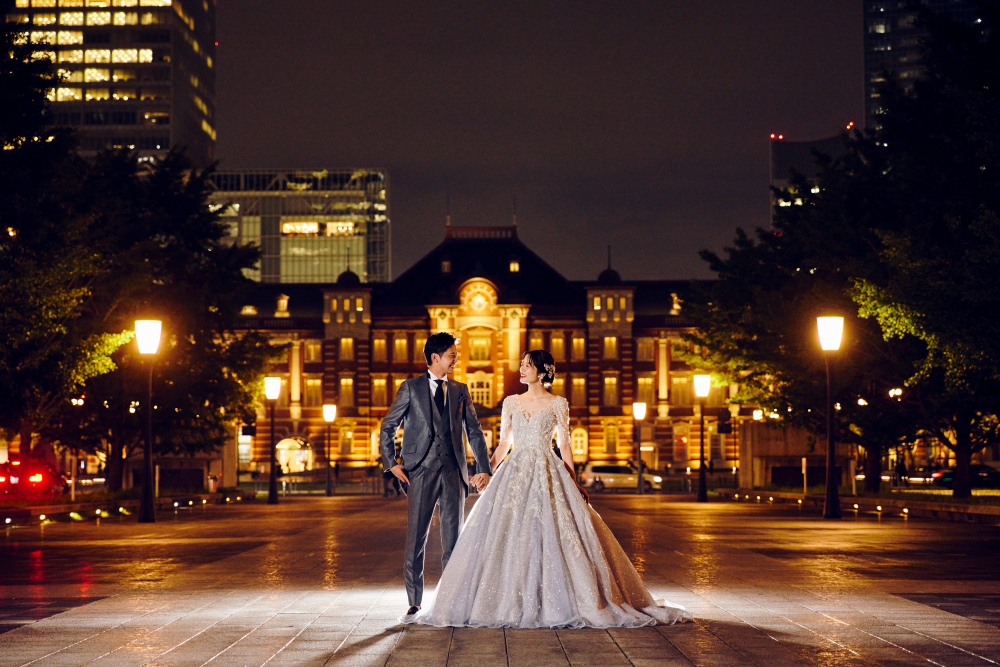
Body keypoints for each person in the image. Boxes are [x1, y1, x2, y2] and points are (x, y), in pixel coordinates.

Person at [411, 350, 691, 628]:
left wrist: (573, 480)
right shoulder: (510, 402)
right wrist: (486, 469)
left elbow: (565, 445)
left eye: (528, 366)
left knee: (557, 531)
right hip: (515, 471)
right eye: (521, 365)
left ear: (543, 372)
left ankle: (570, 599)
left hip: (548, 468)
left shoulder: (558, 403)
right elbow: (504, 443)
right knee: (506, 531)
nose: (521, 370)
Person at [379, 332, 492, 622]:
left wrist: (482, 467)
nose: (456, 359)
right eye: (452, 355)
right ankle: (414, 602)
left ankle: (452, 599)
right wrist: (392, 463)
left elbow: (474, 431)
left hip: (454, 471)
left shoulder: (461, 390)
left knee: (454, 539)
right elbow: (389, 426)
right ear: (435, 358)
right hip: (420, 470)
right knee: (416, 537)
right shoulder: (410, 388)